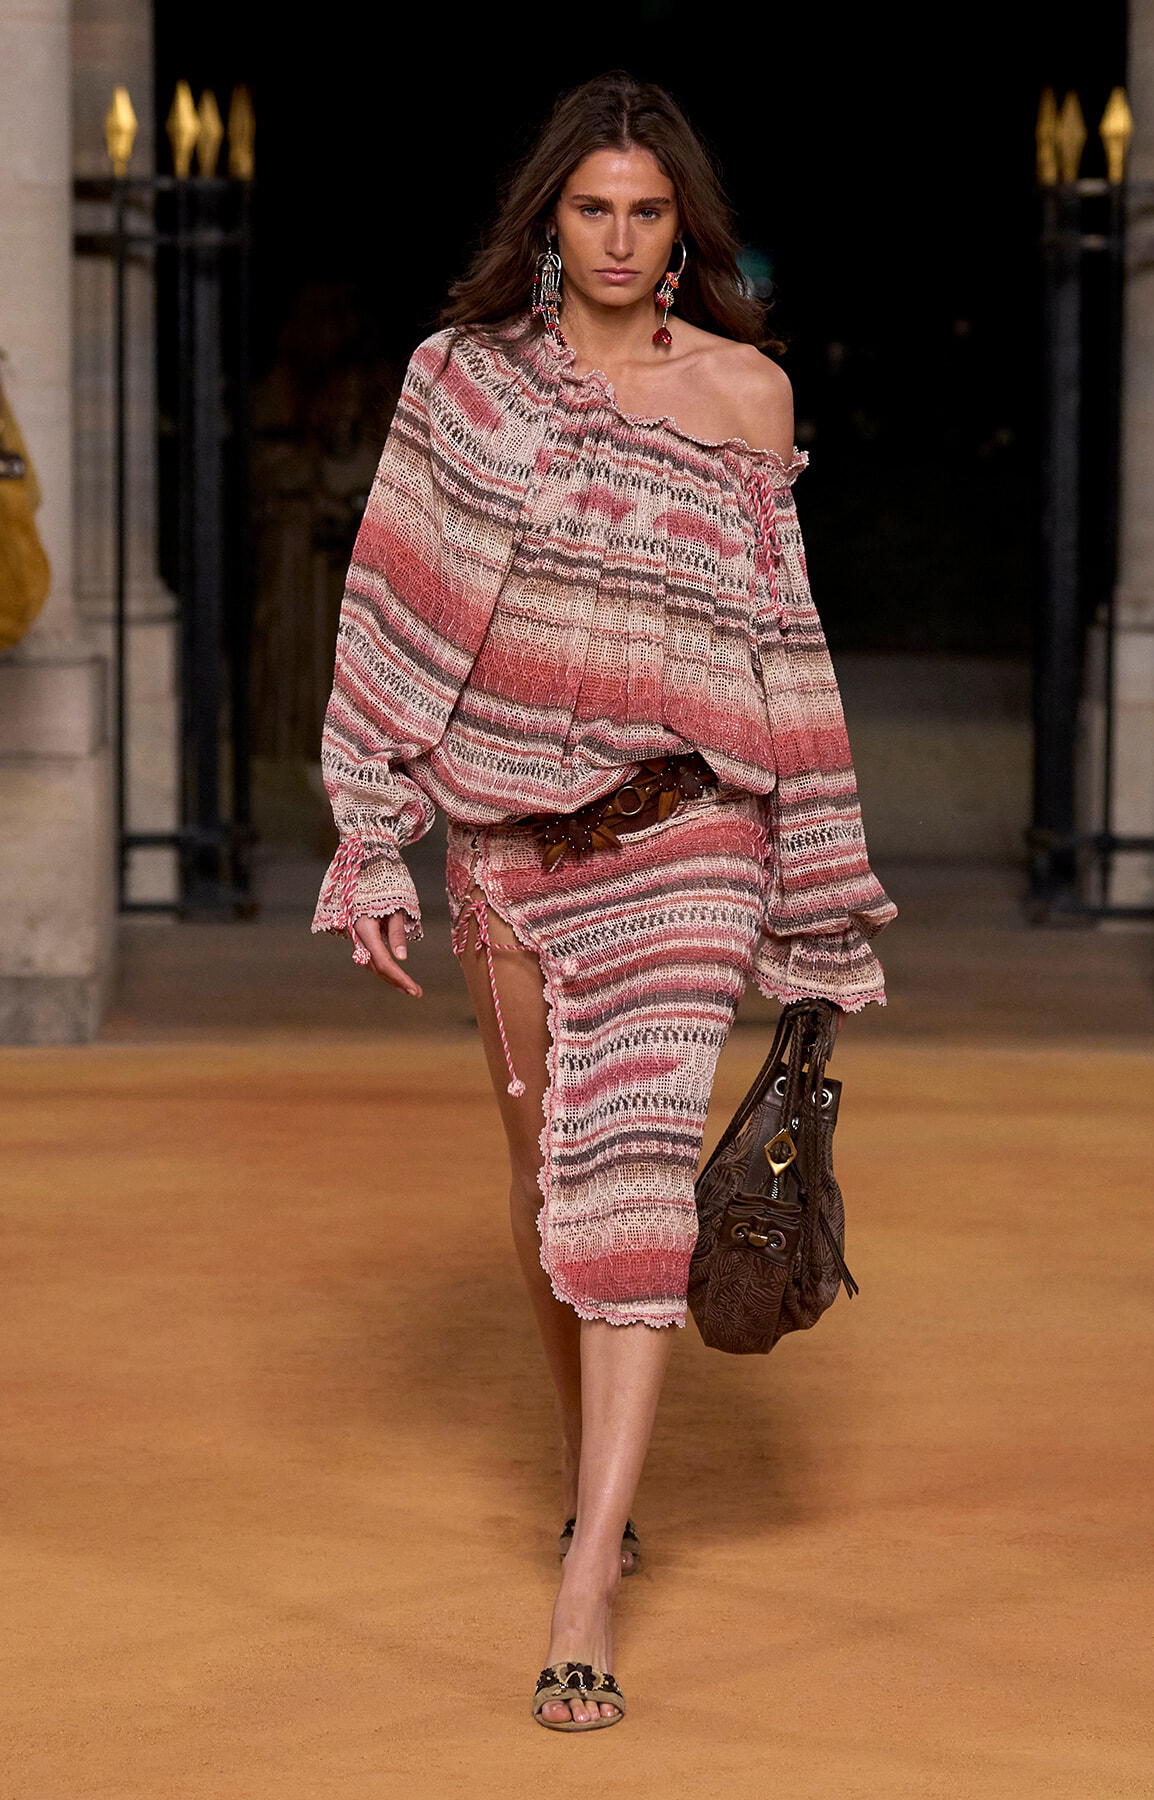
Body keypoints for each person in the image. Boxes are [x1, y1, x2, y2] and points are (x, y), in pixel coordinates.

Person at [312, 70, 894, 1732]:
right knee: (542, 1180)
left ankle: (587, 1584)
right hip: (504, 844)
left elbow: (783, 645)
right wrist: (369, 828)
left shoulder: (749, 397)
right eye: (593, 208)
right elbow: (392, 599)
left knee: (634, 1181)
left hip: (687, 831)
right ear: (547, 219)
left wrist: (819, 881)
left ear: (682, 225)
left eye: (650, 211)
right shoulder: (465, 386)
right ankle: (602, 1477)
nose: (623, 239)